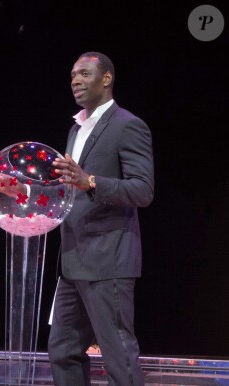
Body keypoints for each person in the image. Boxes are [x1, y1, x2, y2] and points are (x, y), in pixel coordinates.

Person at [47, 52, 154, 386]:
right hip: (73, 261)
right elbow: (70, 188)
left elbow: (142, 190)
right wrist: (21, 188)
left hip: (109, 260)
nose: (75, 81)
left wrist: (90, 181)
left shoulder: (127, 125)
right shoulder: (75, 129)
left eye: (84, 74)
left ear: (106, 78)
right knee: (63, 352)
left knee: (118, 357)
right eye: (72, 76)